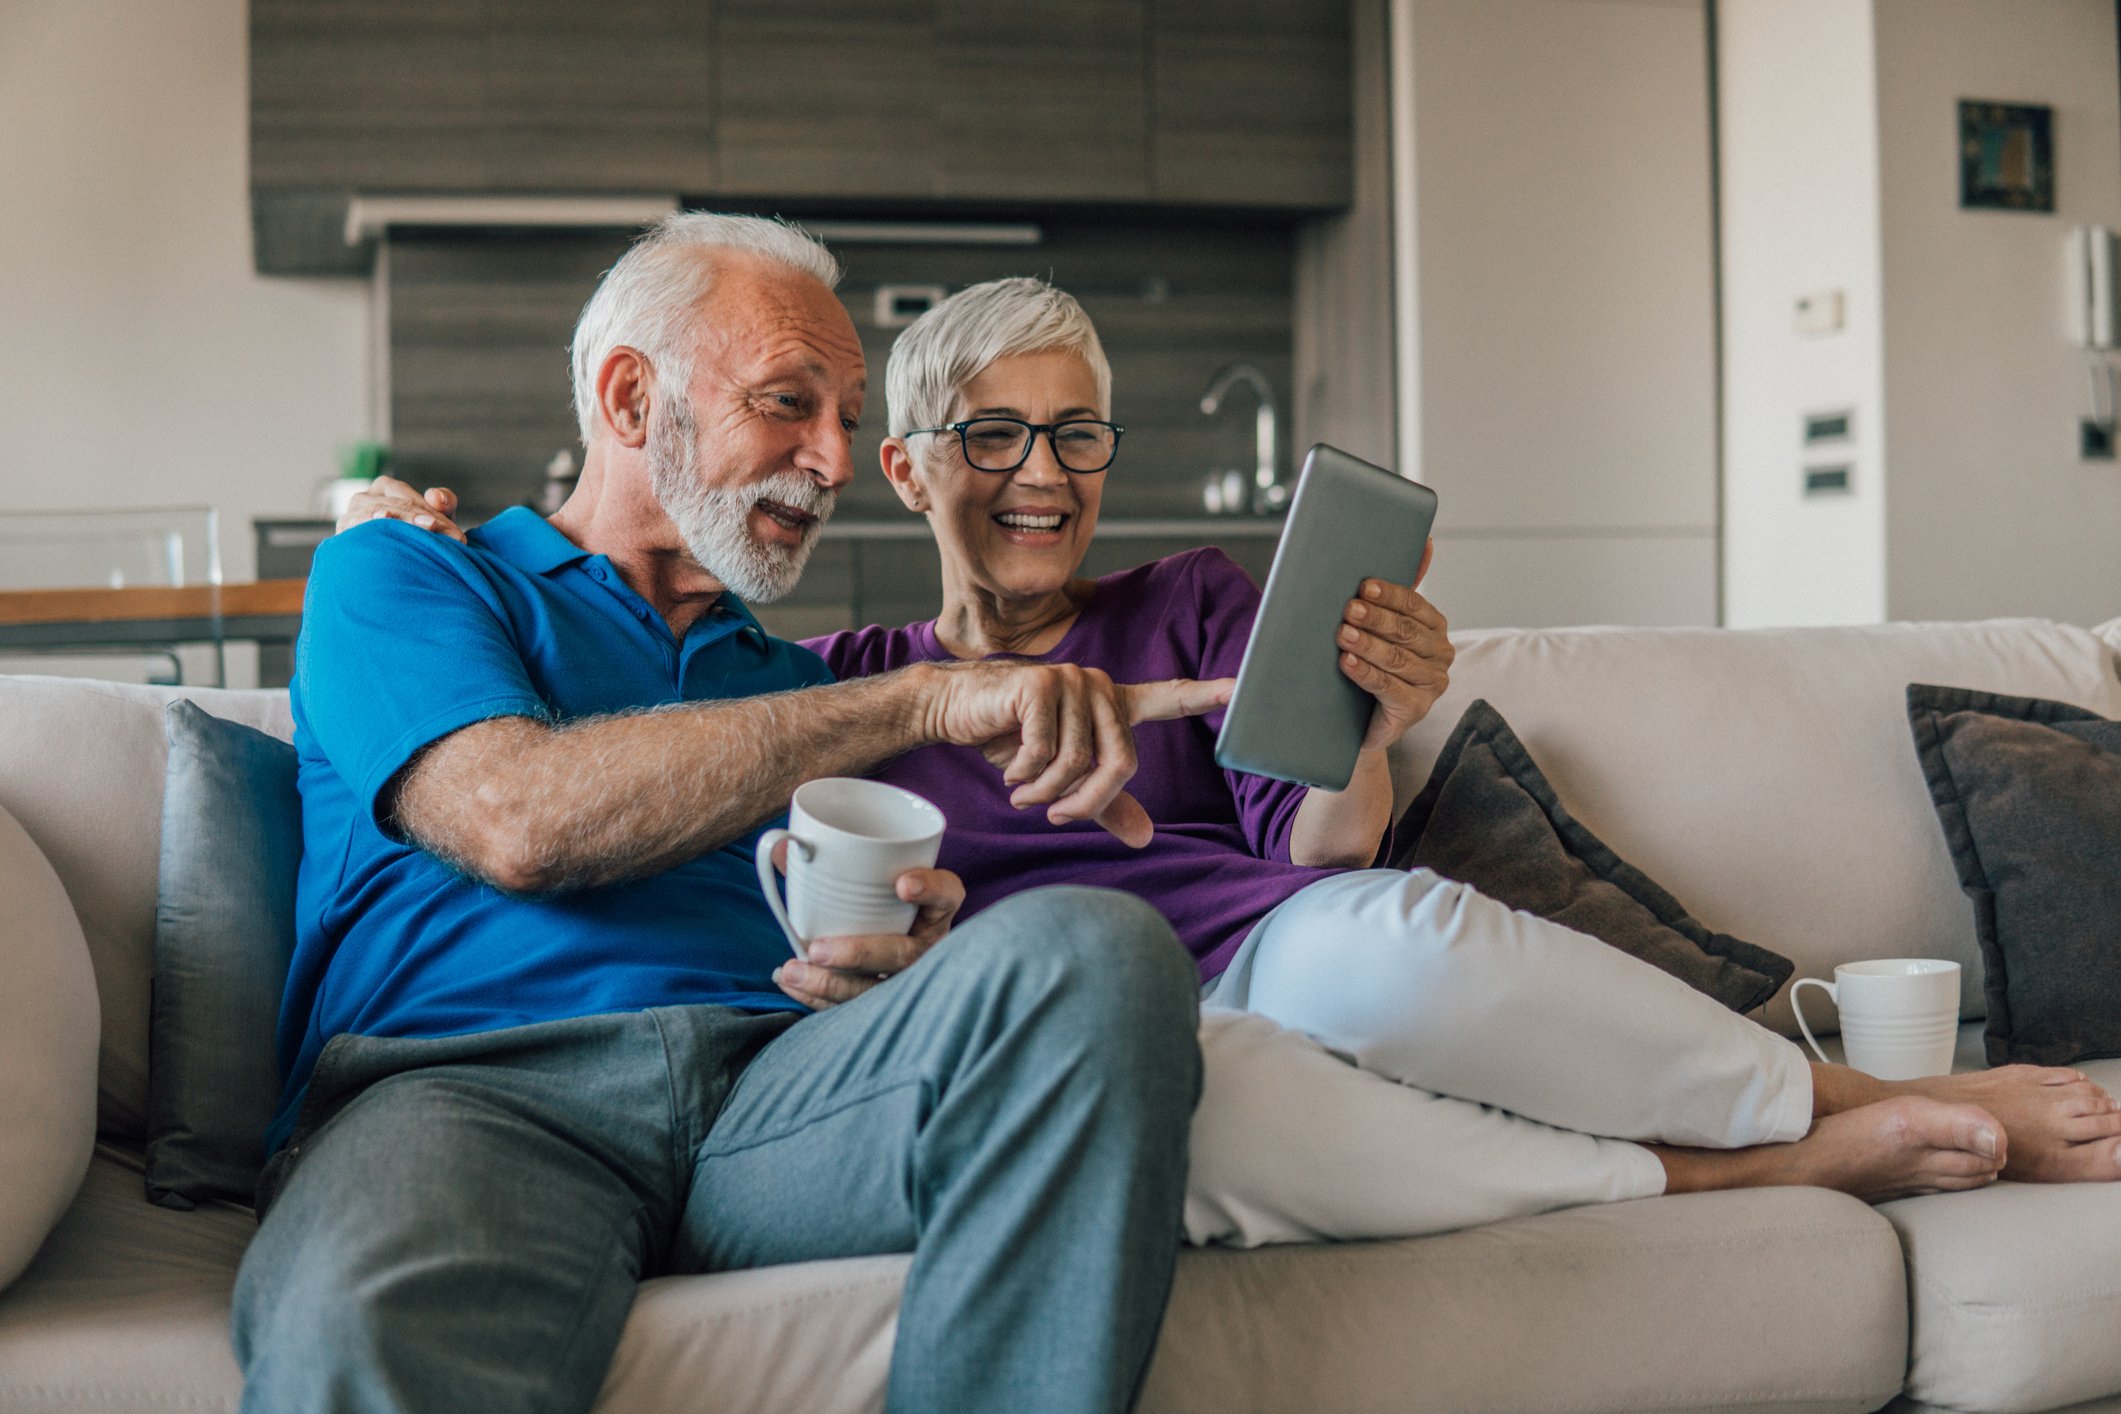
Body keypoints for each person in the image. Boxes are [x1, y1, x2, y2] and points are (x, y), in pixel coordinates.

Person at [352, 274, 2121, 1262]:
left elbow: (1336, 854)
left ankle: (1812, 1102)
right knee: (1186, 1130)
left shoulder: (1202, 603)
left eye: (1076, 432)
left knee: (1382, 942)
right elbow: (721, 827)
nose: (1040, 470)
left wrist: (1362, 703)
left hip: (1287, 950)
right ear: (906, 468)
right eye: (992, 434)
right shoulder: (836, 681)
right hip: (1101, 1037)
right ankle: (1744, 1176)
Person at [244, 215, 1240, 1414]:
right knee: (367, 1321)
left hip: (778, 1096)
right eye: (788, 402)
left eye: (849, 420)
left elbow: (873, 922)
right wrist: (919, 699)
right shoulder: (406, 574)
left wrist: (898, 958)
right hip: (471, 1090)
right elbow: (518, 816)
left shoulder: (797, 682)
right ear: (628, 398)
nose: (831, 461)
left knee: (1097, 952)